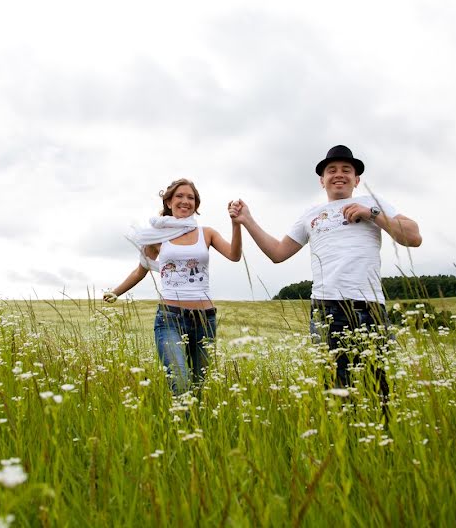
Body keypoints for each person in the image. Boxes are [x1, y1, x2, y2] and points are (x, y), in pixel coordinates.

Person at [230, 145, 422, 412]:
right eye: (331, 170)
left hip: (369, 307)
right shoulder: (311, 215)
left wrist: (371, 214)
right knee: (337, 390)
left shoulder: (372, 204)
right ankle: (348, 446)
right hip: (326, 309)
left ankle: (380, 447)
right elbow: (278, 253)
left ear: (357, 180)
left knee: (377, 391)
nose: (338, 174)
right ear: (322, 180)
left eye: (346, 170)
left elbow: (413, 237)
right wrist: (247, 220)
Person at [104, 178, 242, 393]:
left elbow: (234, 255)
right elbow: (141, 270)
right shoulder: (157, 237)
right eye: (179, 196)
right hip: (170, 319)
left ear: (196, 204)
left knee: (198, 387)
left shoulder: (207, 233)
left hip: (205, 320)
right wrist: (114, 293)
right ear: (168, 202)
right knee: (180, 381)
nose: (185, 201)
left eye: (191, 197)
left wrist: (236, 224)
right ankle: (181, 424)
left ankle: (191, 426)